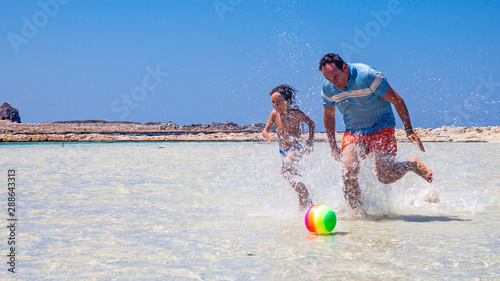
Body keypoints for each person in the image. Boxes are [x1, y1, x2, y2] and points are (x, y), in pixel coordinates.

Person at [318, 53, 433, 214]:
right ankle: (359, 216)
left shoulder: (368, 75)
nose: (333, 82)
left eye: (335, 77)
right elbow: (329, 117)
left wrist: (409, 130)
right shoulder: (328, 88)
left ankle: (411, 165)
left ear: (345, 67)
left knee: (384, 176)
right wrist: (332, 146)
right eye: (329, 79)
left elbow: (397, 100)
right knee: (348, 173)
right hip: (354, 131)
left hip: (381, 126)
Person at [262, 84, 315, 211]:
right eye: (273, 102)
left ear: (288, 101)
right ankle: (305, 199)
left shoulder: (296, 114)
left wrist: (310, 141)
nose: (275, 105)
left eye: (278, 102)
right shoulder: (274, 114)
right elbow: (264, 131)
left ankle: (305, 198)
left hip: (296, 148)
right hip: (283, 151)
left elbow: (311, 124)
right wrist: (268, 136)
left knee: (284, 170)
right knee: (292, 175)